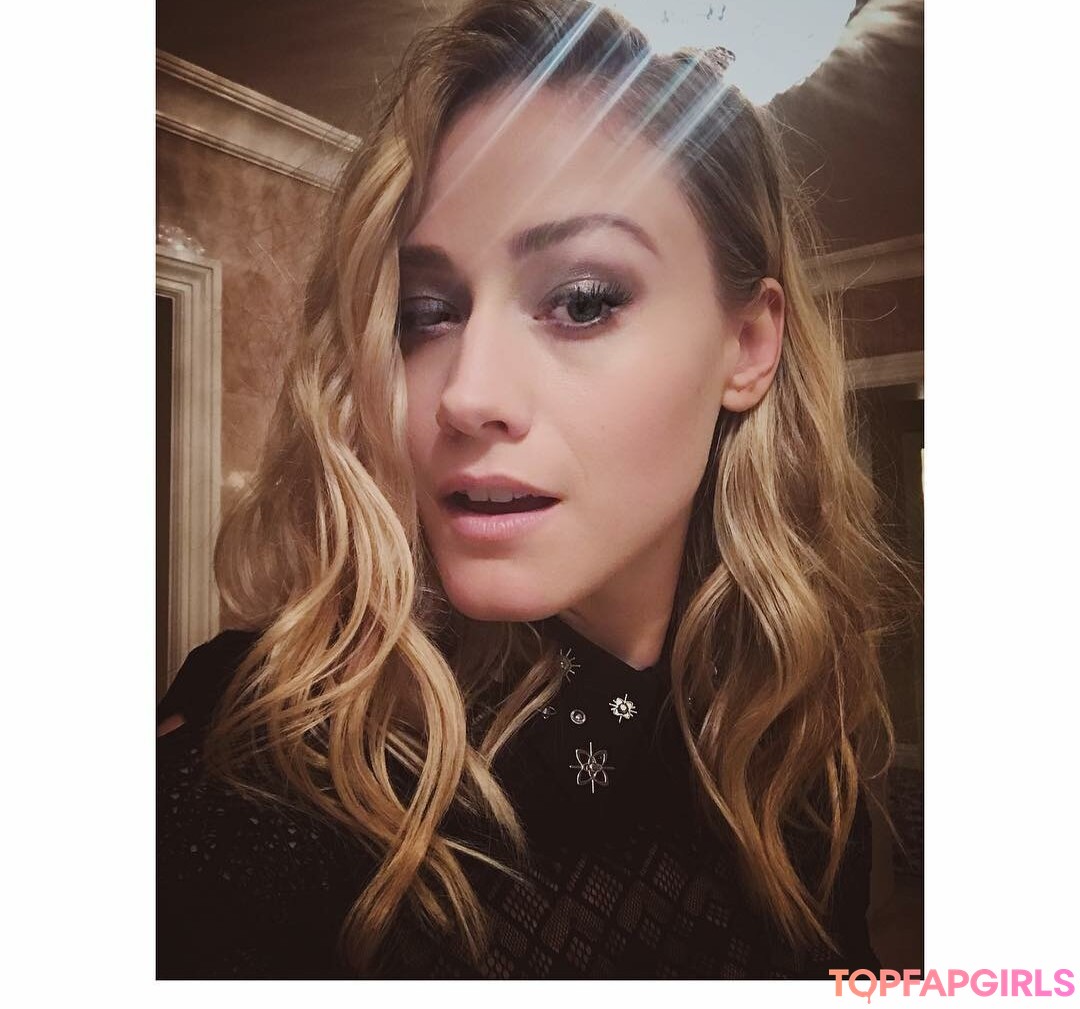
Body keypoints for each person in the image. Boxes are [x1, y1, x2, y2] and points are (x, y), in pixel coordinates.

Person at [158, 0, 901, 979]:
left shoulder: (795, 740)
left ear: (749, 345)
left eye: (583, 301)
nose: (466, 395)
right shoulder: (258, 784)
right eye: (425, 312)